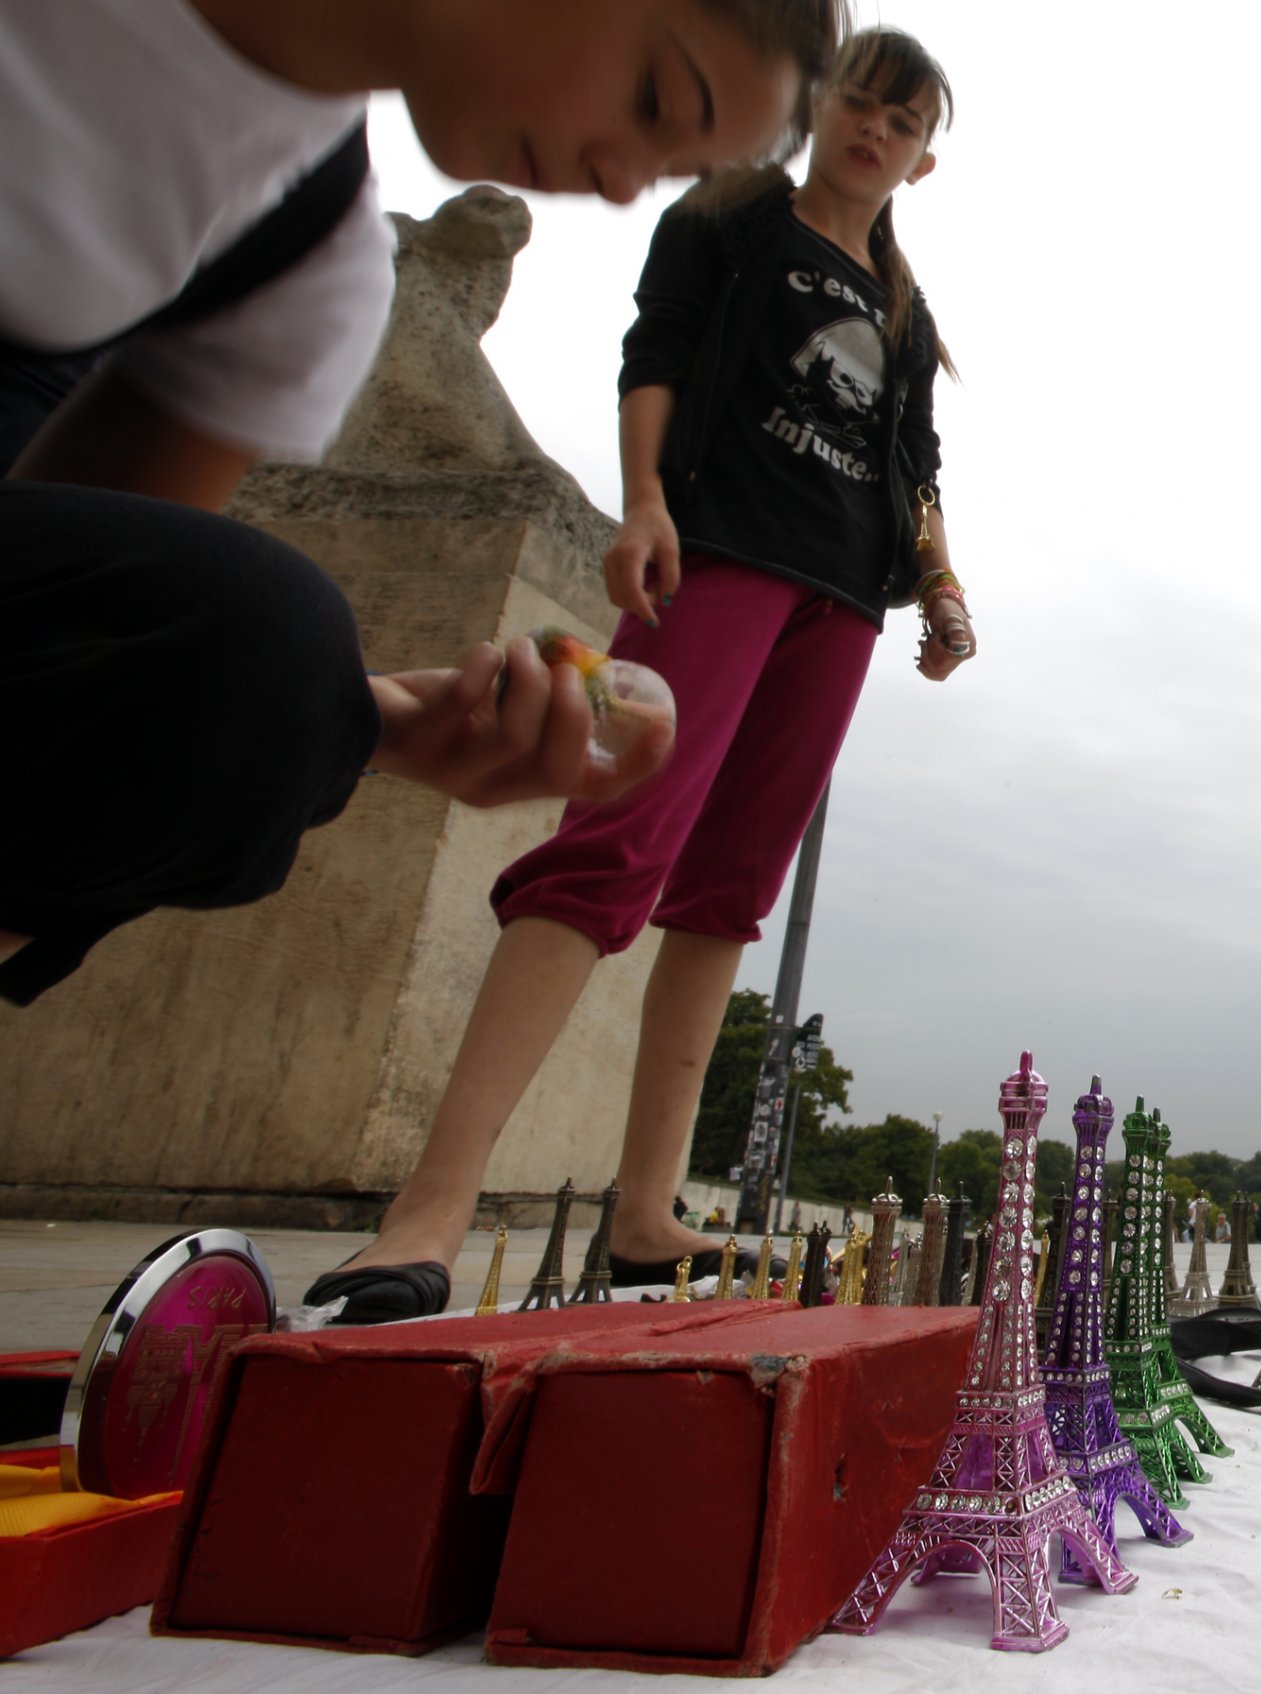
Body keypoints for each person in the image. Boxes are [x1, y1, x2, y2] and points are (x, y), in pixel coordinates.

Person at [308, 28, 969, 1319]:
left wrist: (939, 585)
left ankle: (646, 1211)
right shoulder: (730, 216)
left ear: (924, 161)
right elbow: (654, 356)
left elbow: (919, 467)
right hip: (716, 553)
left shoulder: (905, 304)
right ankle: (428, 1206)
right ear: (818, 104)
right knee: (609, 841)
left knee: (725, 897)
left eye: (902, 120)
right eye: (857, 100)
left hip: (840, 604)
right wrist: (641, 501)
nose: (873, 129)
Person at [0, 0, 841, 1009]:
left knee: (259, 652)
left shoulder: (305, 264)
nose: (621, 184)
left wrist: (360, 723)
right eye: (655, 99)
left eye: (666, 175)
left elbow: (75, 641)